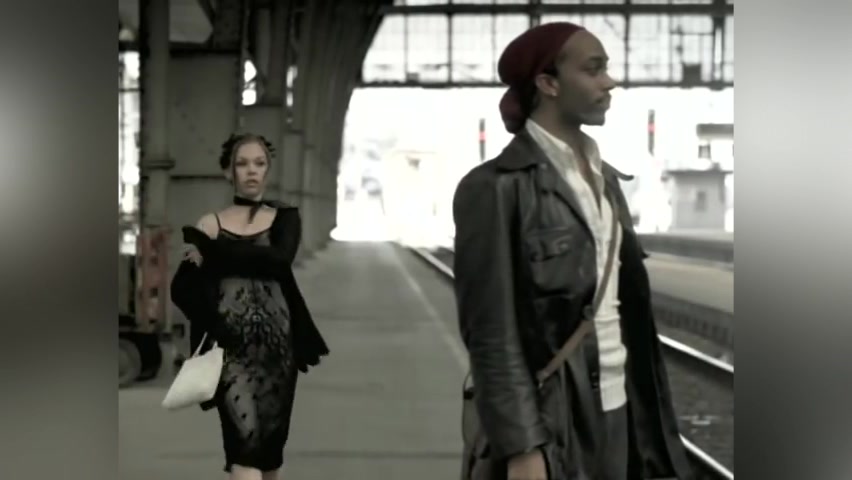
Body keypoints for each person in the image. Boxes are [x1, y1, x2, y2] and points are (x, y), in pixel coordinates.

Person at [453, 23, 692, 480]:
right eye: (594, 69)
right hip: (554, 418)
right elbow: (490, 334)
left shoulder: (606, 181)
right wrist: (523, 446)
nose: (609, 82)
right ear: (548, 83)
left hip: (623, 409)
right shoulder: (495, 188)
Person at [170, 133, 329, 480]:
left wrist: (212, 249)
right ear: (228, 172)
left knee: (270, 455)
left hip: (279, 350)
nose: (251, 170)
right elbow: (181, 288)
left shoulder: (284, 218)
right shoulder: (209, 223)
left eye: (259, 163)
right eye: (242, 164)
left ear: (268, 170)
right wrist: (216, 324)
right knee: (243, 449)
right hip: (230, 350)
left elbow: (279, 259)